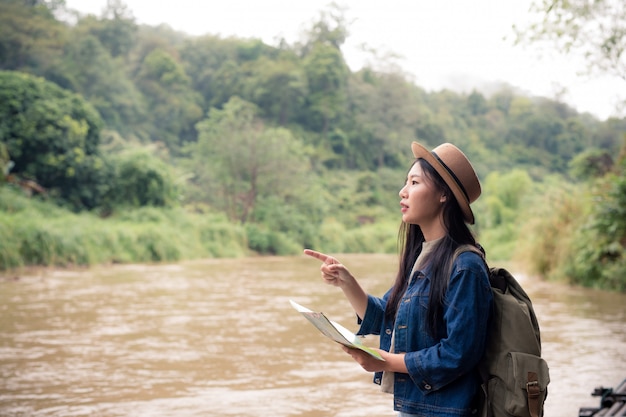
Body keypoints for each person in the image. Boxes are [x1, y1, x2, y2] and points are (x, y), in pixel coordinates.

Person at [304, 142, 493, 417]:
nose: (403, 192)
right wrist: (347, 281)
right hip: (416, 408)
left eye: (414, 182)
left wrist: (384, 361)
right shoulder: (423, 256)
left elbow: (458, 353)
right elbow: (387, 317)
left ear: (443, 195)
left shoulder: (466, 266)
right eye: (406, 182)